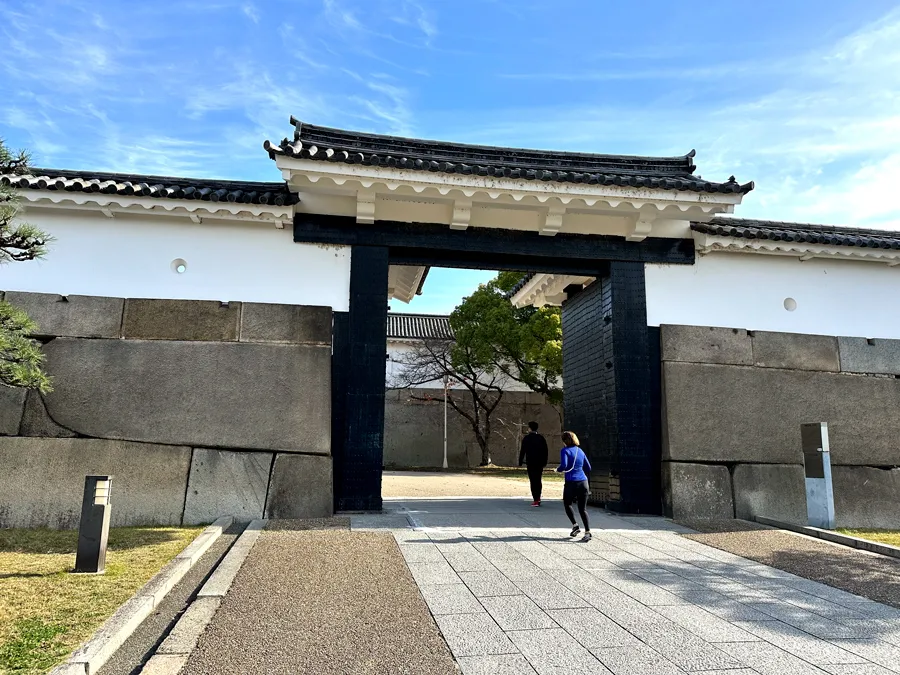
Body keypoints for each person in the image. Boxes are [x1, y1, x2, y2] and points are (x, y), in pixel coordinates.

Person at [555, 431, 592, 542]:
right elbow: (588, 467)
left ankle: (575, 525)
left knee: (567, 503)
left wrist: (558, 470)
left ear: (564, 441)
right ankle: (588, 532)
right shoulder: (580, 450)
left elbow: (564, 465)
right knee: (583, 509)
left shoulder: (564, 451)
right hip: (583, 482)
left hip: (571, 482)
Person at [518, 421, 549, 506]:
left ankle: (535, 498)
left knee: (533, 480)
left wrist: (520, 461)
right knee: (538, 480)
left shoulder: (527, 438)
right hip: (539, 463)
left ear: (530, 428)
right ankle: (538, 498)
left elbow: (522, 451)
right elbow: (545, 451)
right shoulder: (541, 438)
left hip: (530, 462)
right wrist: (544, 461)